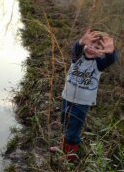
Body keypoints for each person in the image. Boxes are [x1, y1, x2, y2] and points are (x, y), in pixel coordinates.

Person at [50, 28, 117, 162]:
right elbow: (76, 48)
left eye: (97, 47)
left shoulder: (99, 64)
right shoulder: (77, 57)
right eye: (90, 44)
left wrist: (110, 53)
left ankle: (69, 157)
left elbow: (110, 60)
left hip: (82, 103)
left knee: (73, 129)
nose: (92, 48)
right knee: (64, 122)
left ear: (102, 53)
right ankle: (63, 146)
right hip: (67, 97)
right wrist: (81, 42)